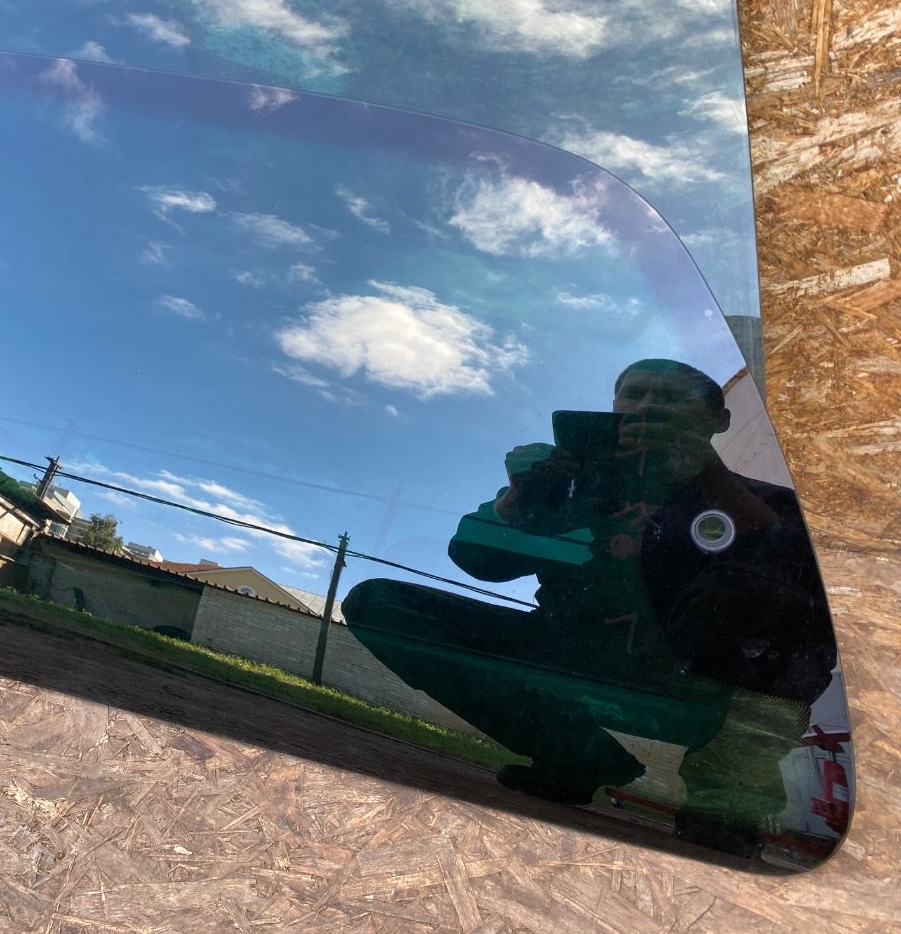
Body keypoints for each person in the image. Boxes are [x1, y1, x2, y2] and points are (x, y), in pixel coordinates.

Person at [343, 359, 837, 852]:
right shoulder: (572, 488)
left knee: (800, 614)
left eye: (671, 398)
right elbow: (477, 560)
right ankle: (575, 754)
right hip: (566, 652)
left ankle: (725, 800)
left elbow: (799, 587)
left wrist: (706, 475)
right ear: (613, 406)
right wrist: (517, 498)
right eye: (635, 394)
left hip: (687, 676)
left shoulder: (767, 504)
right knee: (379, 602)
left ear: (718, 421)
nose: (648, 407)